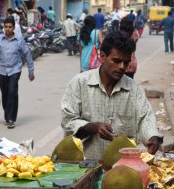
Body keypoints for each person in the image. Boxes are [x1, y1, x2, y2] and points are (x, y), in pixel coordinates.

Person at [61, 31, 163, 160]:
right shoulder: (79, 83)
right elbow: (68, 122)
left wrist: (152, 137)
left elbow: (145, 118)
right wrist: (94, 127)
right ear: (102, 56)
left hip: (121, 167)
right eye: (116, 61)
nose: (122, 67)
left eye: (126, 62)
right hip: (84, 165)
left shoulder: (134, 89)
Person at [0, 17, 35, 129]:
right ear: (3, 28)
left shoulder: (19, 40)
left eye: (10, 27)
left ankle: (11, 119)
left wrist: (31, 71)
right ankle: (7, 115)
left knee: (12, 93)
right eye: (6, 27)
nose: (8, 29)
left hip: (15, 70)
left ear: (14, 28)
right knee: (5, 94)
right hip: (2, 70)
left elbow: (27, 55)